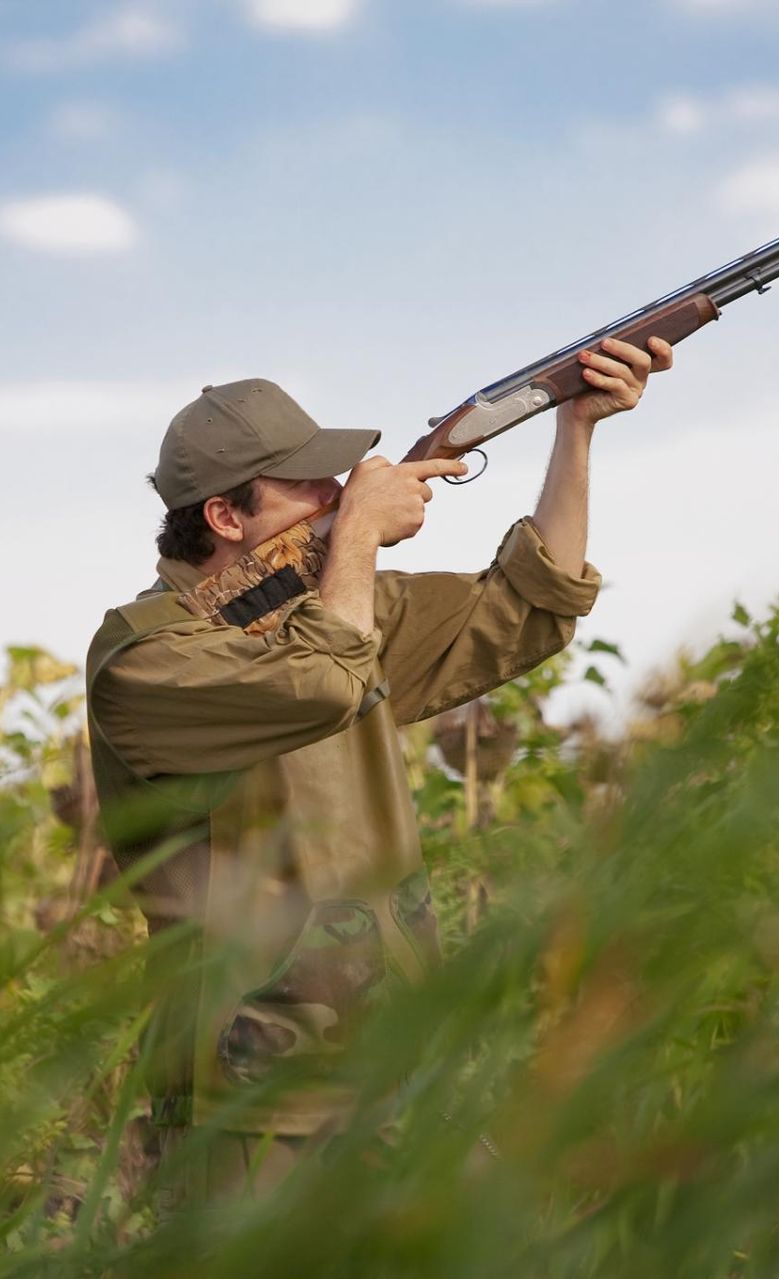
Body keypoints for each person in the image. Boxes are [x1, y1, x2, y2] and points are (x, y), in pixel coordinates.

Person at [83, 336, 674, 1206]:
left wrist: (575, 430)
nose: (340, 493)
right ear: (224, 518)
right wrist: (358, 531)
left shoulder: (336, 608)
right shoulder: (146, 658)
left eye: (340, 480)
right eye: (311, 486)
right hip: (248, 1098)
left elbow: (525, 609)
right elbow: (322, 681)